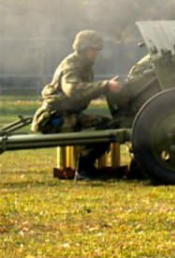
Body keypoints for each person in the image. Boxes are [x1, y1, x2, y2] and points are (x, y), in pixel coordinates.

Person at [31, 30, 124, 180]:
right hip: (53, 119)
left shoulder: (83, 65)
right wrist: (104, 86)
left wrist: (105, 88)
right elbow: (73, 90)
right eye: (92, 50)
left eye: (96, 50)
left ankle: (86, 168)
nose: (95, 54)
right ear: (82, 48)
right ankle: (84, 170)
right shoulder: (71, 67)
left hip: (64, 114)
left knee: (106, 124)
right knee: (105, 127)